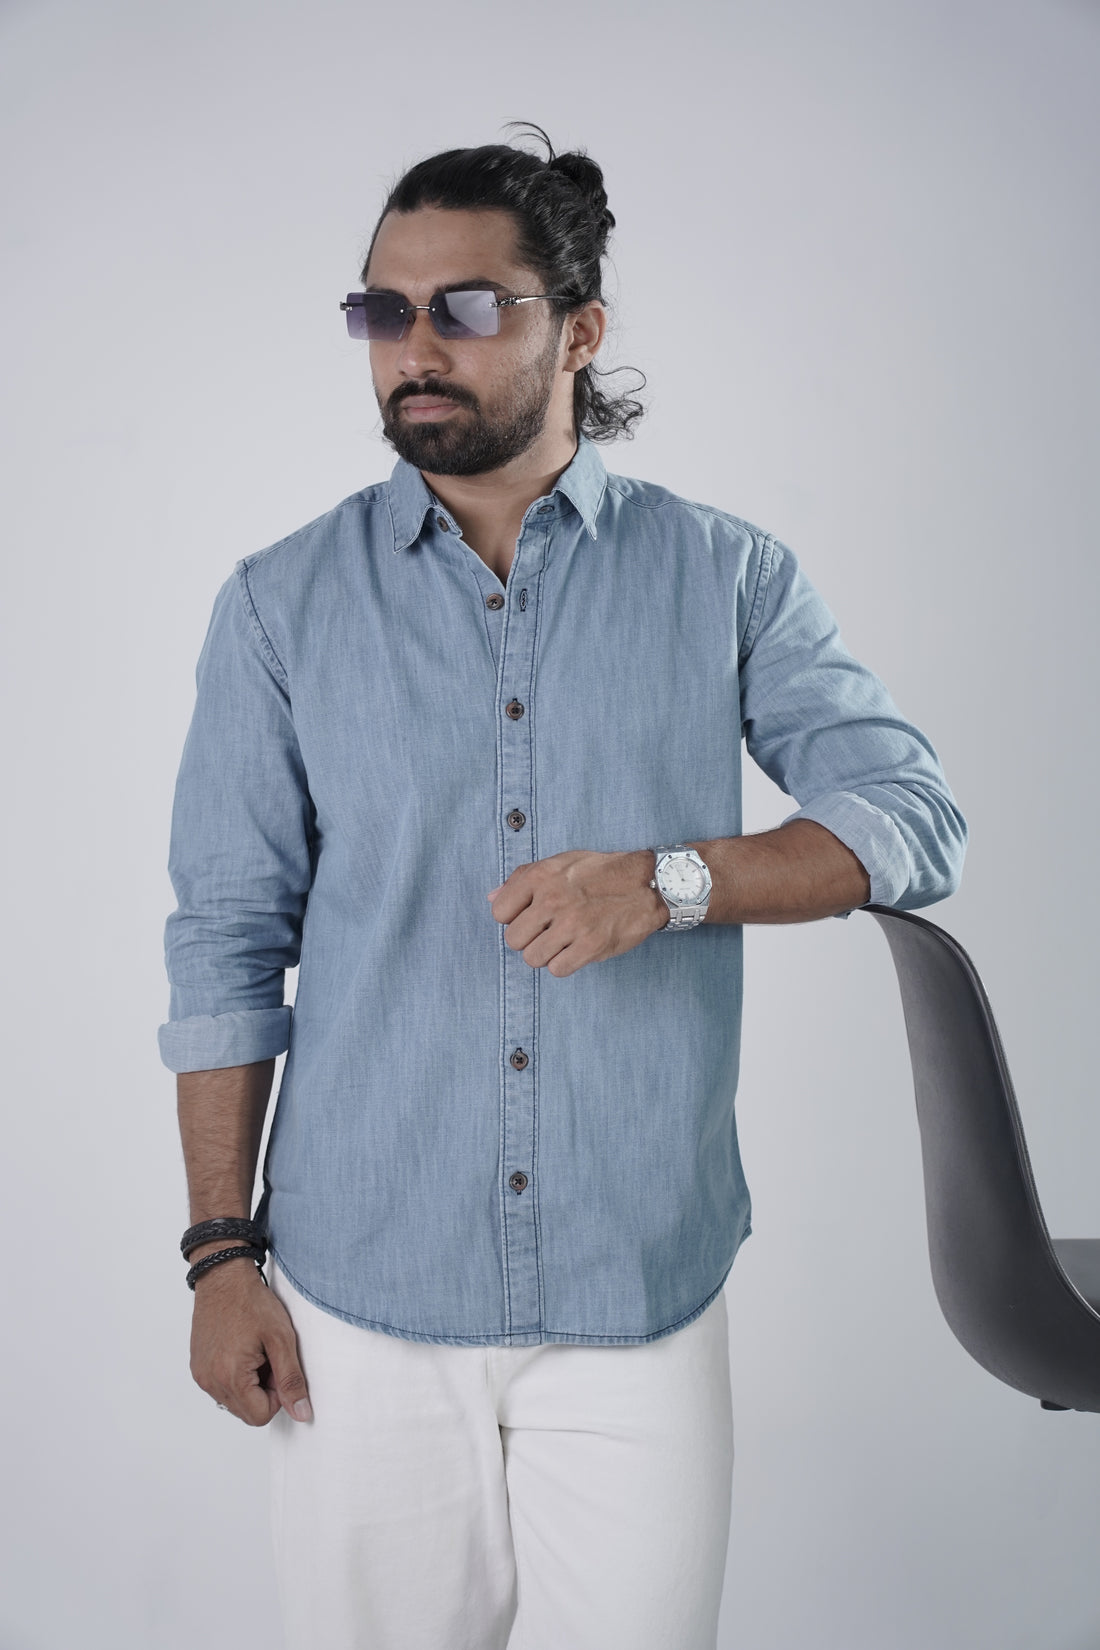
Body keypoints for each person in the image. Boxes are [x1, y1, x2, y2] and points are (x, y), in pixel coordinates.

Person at [159, 125, 967, 1650]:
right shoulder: (279, 605)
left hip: (633, 1289)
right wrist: (219, 1255)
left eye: (467, 307)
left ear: (579, 332)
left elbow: (914, 815)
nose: (415, 347)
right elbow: (224, 941)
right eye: (382, 310)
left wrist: (673, 881)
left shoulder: (726, 576)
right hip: (358, 1293)